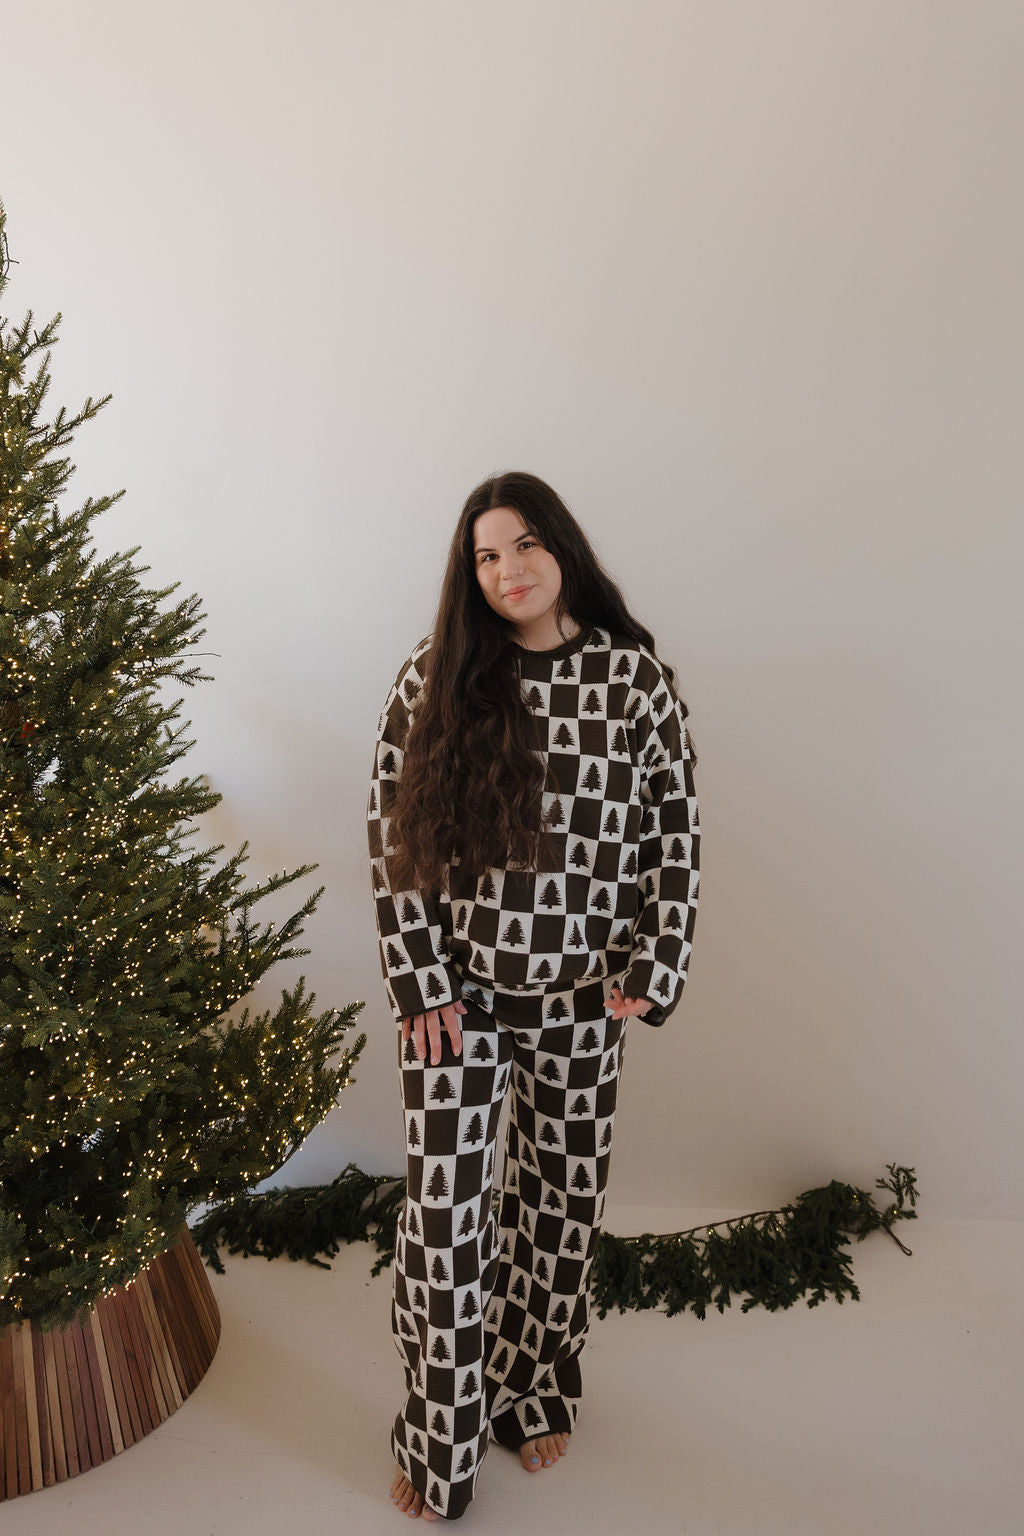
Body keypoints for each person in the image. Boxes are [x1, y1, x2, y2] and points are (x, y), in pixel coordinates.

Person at [367, 471, 700, 1521]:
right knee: (445, 1224)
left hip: (578, 1002)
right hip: (458, 1002)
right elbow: (394, 838)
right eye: (484, 555)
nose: (506, 570)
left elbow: (672, 834)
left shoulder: (633, 680)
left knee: (560, 1214)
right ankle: (438, 1433)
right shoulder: (437, 675)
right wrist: (420, 979)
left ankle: (531, 1390)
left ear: (562, 548)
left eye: (523, 546)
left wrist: (649, 967)